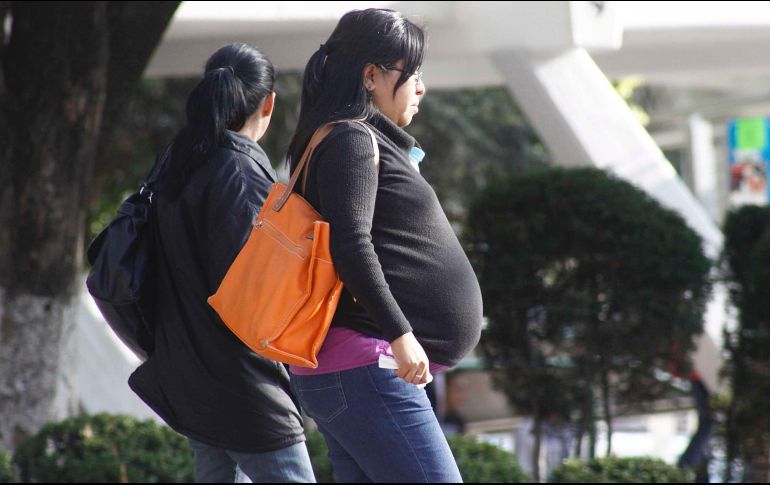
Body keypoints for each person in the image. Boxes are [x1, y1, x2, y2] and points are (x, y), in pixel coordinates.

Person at [286, 9, 483, 483]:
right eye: (411, 73)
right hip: (367, 365)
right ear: (371, 76)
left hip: (358, 369)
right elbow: (351, 244)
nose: (421, 88)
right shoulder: (351, 140)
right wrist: (400, 333)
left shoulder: (353, 138)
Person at [128, 43, 316, 483]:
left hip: (189, 372)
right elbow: (253, 292)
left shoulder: (176, 163)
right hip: (243, 381)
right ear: (268, 104)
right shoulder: (240, 173)